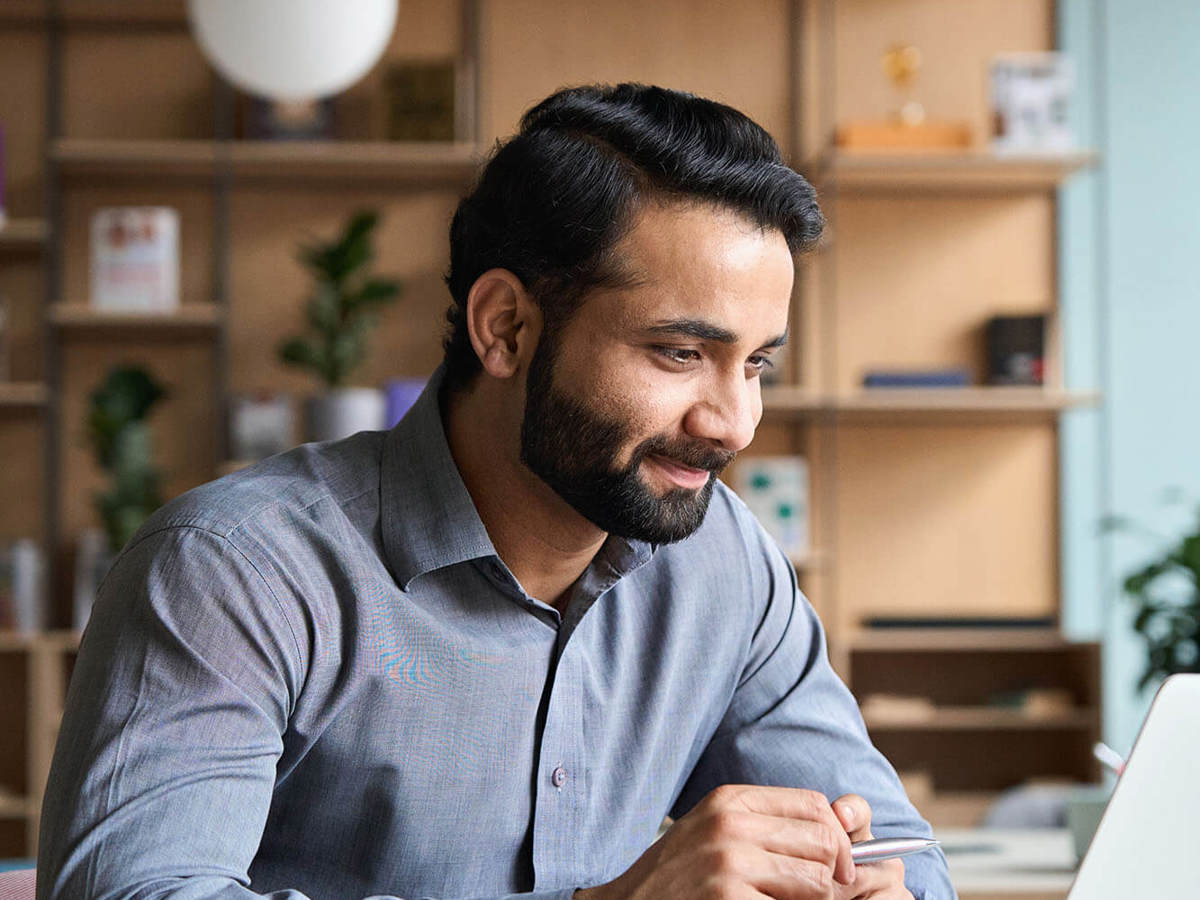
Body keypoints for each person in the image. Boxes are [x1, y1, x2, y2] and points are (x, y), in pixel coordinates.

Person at [37, 84, 954, 900]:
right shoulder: (237, 573)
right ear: (507, 327)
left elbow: (902, 850)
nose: (734, 423)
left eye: (755, 364)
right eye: (681, 353)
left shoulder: (725, 564)